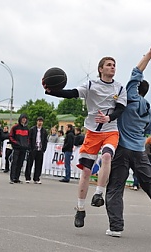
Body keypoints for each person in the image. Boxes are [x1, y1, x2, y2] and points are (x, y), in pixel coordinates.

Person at [44, 53, 127, 228]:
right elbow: (72, 93)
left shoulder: (119, 88)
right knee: (86, 172)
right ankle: (80, 208)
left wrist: (109, 118)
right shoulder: (91, 85)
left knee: (106, 157)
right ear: (101, 69)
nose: (112, 67)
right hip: (92, 133)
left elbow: (120, 110)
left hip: (110, 130)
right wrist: (52, 91)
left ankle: (99, 194)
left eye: (114, 64)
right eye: (109, 64)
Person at [105, 41, 151, 237]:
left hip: (122, 148)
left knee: (116, 187)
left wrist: (150, 54)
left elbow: (137, 70)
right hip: (139, 150)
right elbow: (147, 130)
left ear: (136, 89)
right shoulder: (147, 109)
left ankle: (116, 227)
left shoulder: (129, 97)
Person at [25, 116, 48, 184]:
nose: (40, 123)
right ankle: (28, 177)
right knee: (29, 163)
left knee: (39, 164)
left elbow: (45, 140)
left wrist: (44, 148)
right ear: (37, 122)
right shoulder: (32, 129)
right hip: (33, 148)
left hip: (40, 149)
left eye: (41, 121)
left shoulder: (44, 131)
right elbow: (29, 139)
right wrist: (30, 147)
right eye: (39, 121)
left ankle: (36, 178)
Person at [9, 114, 29, 184]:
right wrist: (16, 143)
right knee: (14, 162)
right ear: (20, 119)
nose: (24, 120)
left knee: (20, 163)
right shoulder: (15, 127)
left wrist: (27, 145)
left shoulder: (27, 128)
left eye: (25, 118)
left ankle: (16, 178)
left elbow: (28, 138)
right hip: (16, 148)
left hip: (23, 148)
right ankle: (12, 178)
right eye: (23, 118)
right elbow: (11, 136)